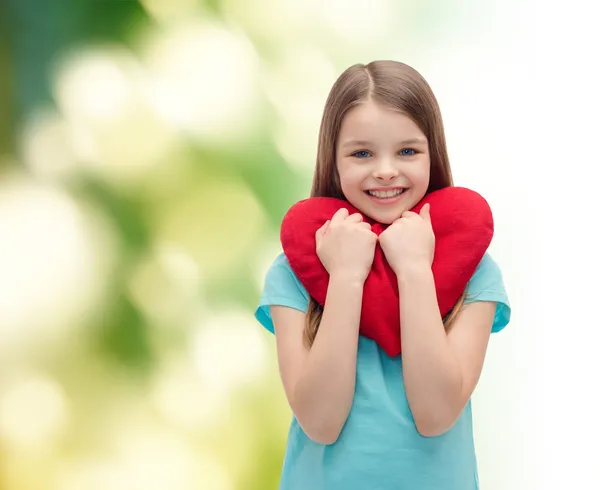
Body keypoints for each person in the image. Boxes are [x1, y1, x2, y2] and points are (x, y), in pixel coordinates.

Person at [254, 60, 511, 490]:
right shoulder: (293, 272)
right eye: (361, 153)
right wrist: (347, 278)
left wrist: (414, 270)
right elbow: (319, 423)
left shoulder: (475, 271)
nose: (386, 170)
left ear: (434, 154)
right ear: (333, 162)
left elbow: (435, 413)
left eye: (408, 151)